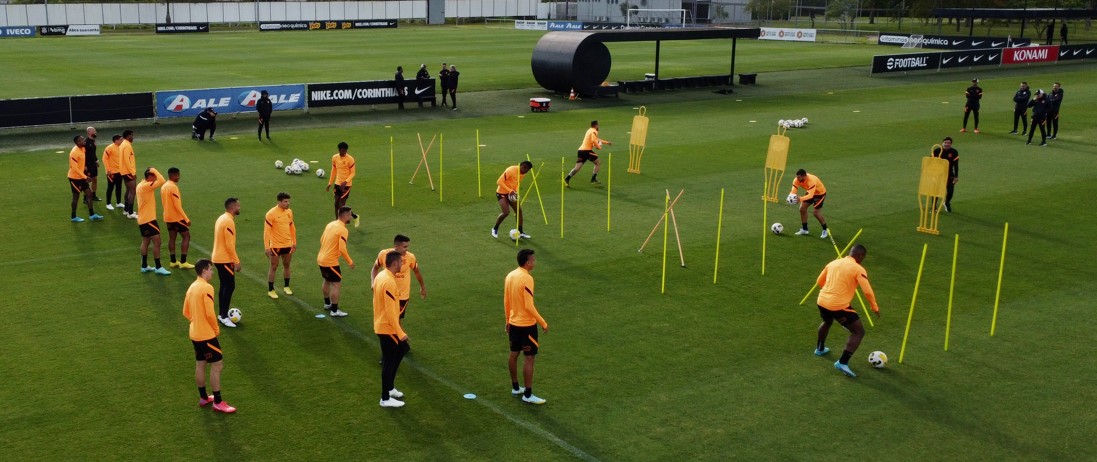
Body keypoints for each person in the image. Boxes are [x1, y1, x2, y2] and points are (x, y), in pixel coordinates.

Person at [814, 245, 880, 377]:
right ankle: (842, 362)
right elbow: (867, 291)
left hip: (821, 300)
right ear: (860, 256)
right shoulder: (858, 268)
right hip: (838, 306)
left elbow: (819, 281)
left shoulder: (833, 263)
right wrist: (874, 307)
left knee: (827, 321)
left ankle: (819, 349)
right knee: (858, 332)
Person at [182, 259, 236, 413]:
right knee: (217, 365)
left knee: (200, 363)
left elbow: (186, 311)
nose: (212, 272)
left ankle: (204, 397)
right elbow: (210, 313)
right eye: (211, 269)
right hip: (206, 335)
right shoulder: (206, 288)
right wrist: (215, 328)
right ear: (204, 270)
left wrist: (195, 322)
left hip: (194, 333)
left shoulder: (192, 286)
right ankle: (218, 402)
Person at [505, 248, 549, 404]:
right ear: (527, 262)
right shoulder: (527, 279)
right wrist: (542, 322)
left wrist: (508, 320)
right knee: (529, 358)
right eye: (533, 260)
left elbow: (506, 300)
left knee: (513, 354)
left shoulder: (510, 276)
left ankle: (516, 387)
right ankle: (528, 395)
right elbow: (529, 306)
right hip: (526, 325)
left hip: (514, 323)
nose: (534, 262)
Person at [374, 250, 409, 408]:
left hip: (384, 325)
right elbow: (390, 311)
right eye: (401, 262)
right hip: (387, 328)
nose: (403, 264)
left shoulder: (382, 276)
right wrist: (399, 332)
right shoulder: (388, 281)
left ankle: (390, 388)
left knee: (401, 350)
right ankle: (385, 398)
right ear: (395, 263)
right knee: (389, 361)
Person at [371, 234, 427, 325]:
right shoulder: (384, 254)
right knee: (387, 319)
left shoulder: (410, 257)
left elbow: (416, 271)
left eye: (407, 246)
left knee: (396, 320)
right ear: (396, 246)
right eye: (405, 246)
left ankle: (398, 338)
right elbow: (375, 268)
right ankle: (396, 337)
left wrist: (423, 287)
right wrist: (373, 283)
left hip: (402, 296)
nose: (407, 249)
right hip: (386, 293)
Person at [317, 206, 355, 317]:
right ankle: (334, 310)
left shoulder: (330, 224)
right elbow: (342, 249)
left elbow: (321, 239)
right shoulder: (343, 230)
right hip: (330, 261)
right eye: (350, 215)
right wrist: (349, 261)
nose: (351, 217)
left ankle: (327, 303)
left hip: (321, 258)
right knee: (336, 285)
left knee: (326, 280)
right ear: (345, 216)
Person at [212, 197, 242, 327]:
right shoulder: (229, 222)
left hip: (218, 257)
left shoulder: (221, 218)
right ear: (232, 208)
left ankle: (221, 314)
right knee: (229, 286)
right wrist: (236, 261)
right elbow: (229, 245)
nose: (239, 208)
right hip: (224, 259)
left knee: (224, 285)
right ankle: (224, 316)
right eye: (238, 206)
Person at [136, 167, 170, 275]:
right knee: (157, 241)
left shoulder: (140, 185)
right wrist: (154, 170)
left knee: (145, 241)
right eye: (153, 176)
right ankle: (158, 267)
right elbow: (162, 181)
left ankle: (144, 266)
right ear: (150, 177)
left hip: (142, 220)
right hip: (149, 220)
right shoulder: (146, 186)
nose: (155, 179)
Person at [264, 192, 297, 299]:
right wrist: (267, 247)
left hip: (288, 244)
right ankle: (271, 289)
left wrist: (294, 242)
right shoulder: (271, 214)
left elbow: (292, 227)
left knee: (287, 265)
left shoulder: (289, 212)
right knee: (273, 266)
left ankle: (286, 286)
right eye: (285, 201)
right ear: (279, 202)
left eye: (288, 201)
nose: (288, 203)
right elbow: (266, 231)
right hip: (276, 245)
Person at [161, 167, 193, 270]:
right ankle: (183, 261)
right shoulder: (173, 187)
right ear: (173, 175)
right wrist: (186, 219)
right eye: (178, 175)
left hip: (168, 217)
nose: (179, 177)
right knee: (187, 236)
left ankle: (173, 261)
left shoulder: (164, 186)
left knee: (172, 238)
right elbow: (177, 205)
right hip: (176, 217)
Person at [492, 161, 533, 239]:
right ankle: (495, 228)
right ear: (523, 167)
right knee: (506, 212)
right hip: (502, 193)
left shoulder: (522, 173)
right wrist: (510, 190)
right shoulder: (510, 170)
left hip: (511, 193)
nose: (527, 172)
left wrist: (515, 191)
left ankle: (520, 232)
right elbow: (499, 182)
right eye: (527, 170)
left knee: (519, 211)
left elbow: (517, 184)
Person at [565, 120, 612, 187]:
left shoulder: (589, 130)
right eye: (598, 125)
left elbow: (596, 139)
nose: (599, 126)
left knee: (577, 168)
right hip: (587, 151)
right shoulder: (594, 131)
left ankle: (567, 179)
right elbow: (593, 140)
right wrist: (599, 147)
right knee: (598, 163)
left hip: (580, 150)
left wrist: (607, 142)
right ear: (596, 125)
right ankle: (593, 179)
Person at [67, 135, 103, 223]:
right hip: (74, 178)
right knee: (76, 197)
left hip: (82, 176)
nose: (84, 141)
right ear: (78, 142)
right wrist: (85, 177)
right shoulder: (74, 152)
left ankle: (92, 215)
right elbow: (74, 168)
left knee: (89, 194)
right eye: (82, 140)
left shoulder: (82, 149)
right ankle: (73, 216)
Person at [325, 141, 360, 227]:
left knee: (341, 204)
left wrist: (346, 181)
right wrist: (330, 183)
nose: (345, 152)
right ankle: (348, 218)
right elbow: (334, 170)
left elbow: (353, 173)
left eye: (346, 150)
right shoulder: (334, 158)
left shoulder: (350, 159)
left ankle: (341, 224)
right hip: (337, 183)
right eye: (343, 150)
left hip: (346, 185)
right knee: (336, 203)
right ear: (339, 150)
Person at [788, 169, 829, 238]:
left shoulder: (811, 181)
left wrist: (800, 199)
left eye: (799, 177)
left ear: (804, 176)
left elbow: (810, 196)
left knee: (816, 213)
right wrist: (790, 197)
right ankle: (805, 229)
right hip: (811, 192)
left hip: (819, 194)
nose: (797, 179)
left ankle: (825, 229)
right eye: (797, 177)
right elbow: (794, 190)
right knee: (802, 209)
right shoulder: (796, 180)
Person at [931, 137, 959, 213]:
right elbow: (930, 162)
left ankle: (946, 203)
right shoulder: (937, 151)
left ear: (951, 144)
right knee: (935, 192)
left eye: (948, 143)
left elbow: (956, 165)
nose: (947, 144)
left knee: (950, 191)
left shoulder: (954, 152)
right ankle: (934, 207)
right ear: (942, 143)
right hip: (938, 175)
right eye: (945, 142)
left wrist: (956, 176)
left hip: (949, 174)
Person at [119, 130, 138, 219]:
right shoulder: (126, 145)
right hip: (128, 172)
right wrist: (133, 172)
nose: (133, 137)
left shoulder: (123, 144)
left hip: (124, 171)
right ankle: (130, 213)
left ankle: (126, 210)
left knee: (128, 191)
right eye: (132, 135)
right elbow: (127, 160)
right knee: (132, 192)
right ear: (128, 136)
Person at [103, 134, 124, 211]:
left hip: (120, 171)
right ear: (116, 140)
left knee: (119, 187)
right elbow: (104, 159)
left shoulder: (121, 147)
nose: (122, 141)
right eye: (121, 140)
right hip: (111, 172)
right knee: (110, 188)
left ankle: (118, 203)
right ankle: (108, 204)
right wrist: (108, 170)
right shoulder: (109, 148)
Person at [84, 127, 101, 202]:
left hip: (93, 164)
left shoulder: (93, 141)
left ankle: (93, 195)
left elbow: (92, 153)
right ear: (89, 133)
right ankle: (85, 197)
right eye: (94, 131)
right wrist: (84, 165)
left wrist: (96, 160)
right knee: (87, 180)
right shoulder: (85, 143)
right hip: (88, 165)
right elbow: (83, 155)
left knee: (95, 179)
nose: (96, 132)